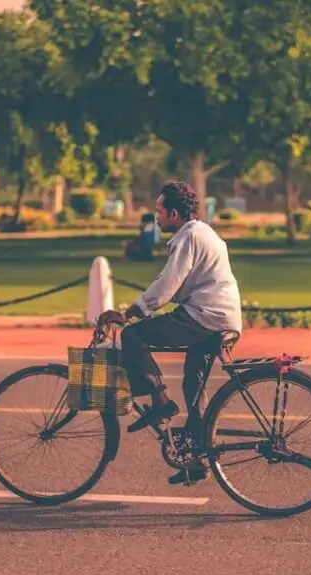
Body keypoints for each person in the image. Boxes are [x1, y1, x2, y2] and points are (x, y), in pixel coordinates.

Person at [96, 180, 243, 484]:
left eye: (159, 212)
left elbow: (166, 286)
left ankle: (161, 401)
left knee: (133, 336)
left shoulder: (188, 237)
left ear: (174, 213)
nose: (157, 217)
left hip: (204, 316)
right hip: (221, 318)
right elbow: (173, 283)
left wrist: (127, 314)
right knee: (194, 385)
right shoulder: (202, 232)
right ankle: (198, 460)